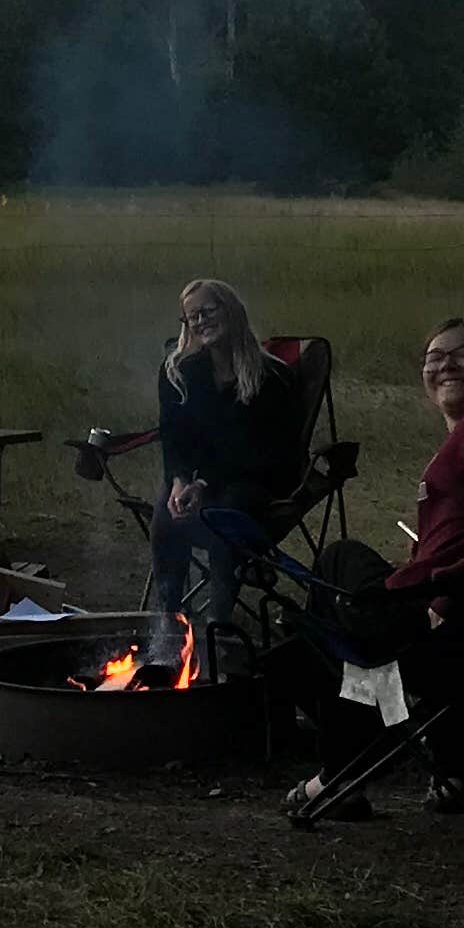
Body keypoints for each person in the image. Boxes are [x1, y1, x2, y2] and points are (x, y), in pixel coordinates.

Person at [301, 316, 464, 811]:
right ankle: (449, 770)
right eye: (433, 357)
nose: (445, 363)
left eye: (463, 354)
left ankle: (340, 772)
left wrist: (449, 591)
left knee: (339, 567)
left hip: (462, 615)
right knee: (362, 647)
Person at [146, 279, 309, 651]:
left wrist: (203, 485)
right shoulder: (179, 373)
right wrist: (179, 480)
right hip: (201, 480)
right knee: (164, 512)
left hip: (259, 479)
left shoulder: (271, 377)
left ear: (231, 310)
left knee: (226, 513)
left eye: (208, 311)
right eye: (192, 317)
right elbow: (174, 438)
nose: (201, 321)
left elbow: (266, 452)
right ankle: (167, 624)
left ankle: (217, 627)